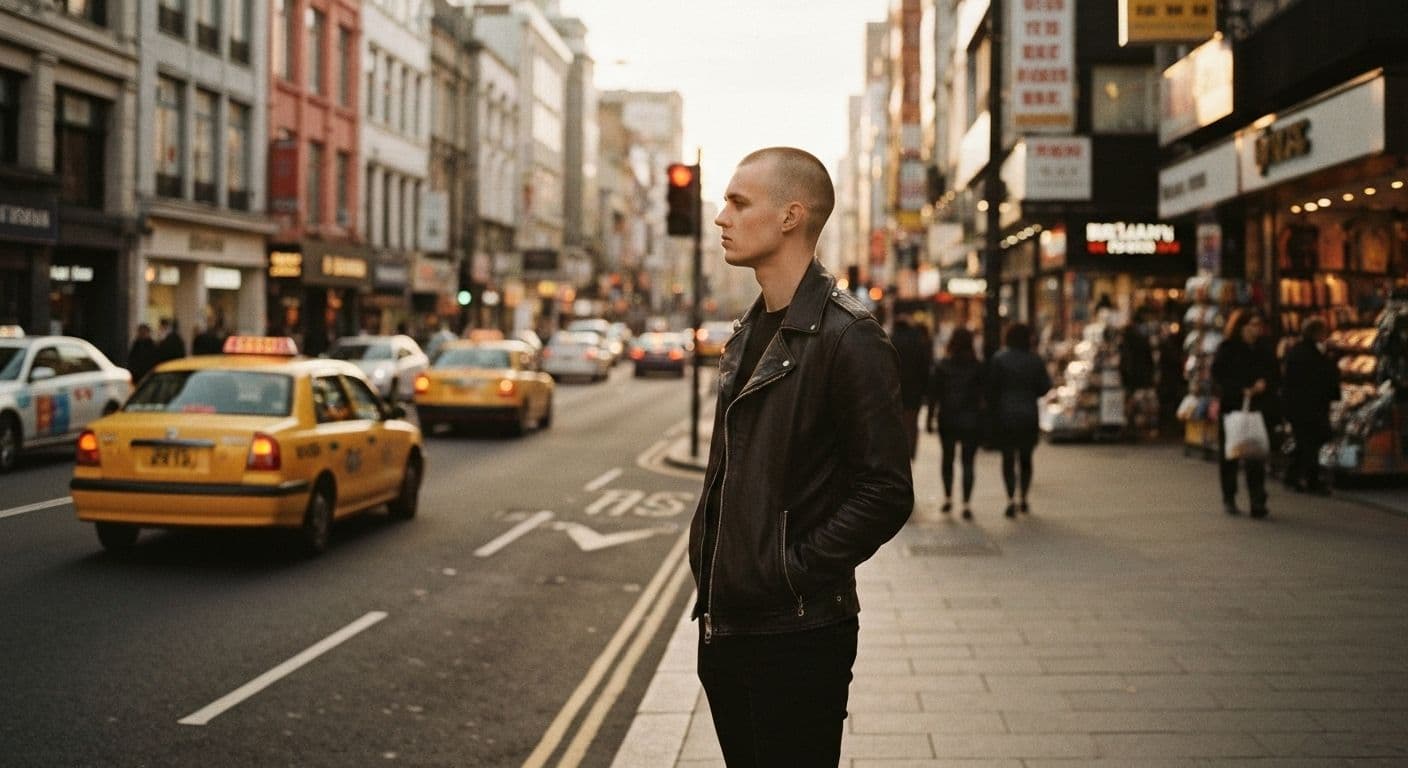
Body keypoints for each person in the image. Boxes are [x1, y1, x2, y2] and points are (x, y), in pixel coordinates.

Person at [692, 146, 913, 766]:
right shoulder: (746, 333)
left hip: (797, 632)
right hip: (727, 625)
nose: (721, 217)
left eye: (739, 202)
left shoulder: (849, 338)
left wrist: (788, 571)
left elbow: (886, 491)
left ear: (791, 216)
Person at [1211, 308, 1279, 517]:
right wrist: (1241, 388)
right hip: (1233, 407)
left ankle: (1258, 500)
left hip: (1258, 407)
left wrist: (1264, 384)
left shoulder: (1264, 348)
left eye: (1259, 325)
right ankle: (1229, 496)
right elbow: (1218, 376)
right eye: (1252, 325)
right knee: (1231, 454)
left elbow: (1274, 372)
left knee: (1255, 454)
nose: (1256, 330)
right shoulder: (1228, 348)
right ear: (1241, 327)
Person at [986, 323, 1052, 518]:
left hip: (1005, 415)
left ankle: (1010, 498)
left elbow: (992, 388)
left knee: (1007, 458)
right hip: (1028, 414)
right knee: (1026, 458)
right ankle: (1024, 497)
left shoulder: (999, 359)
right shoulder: (1035, 360)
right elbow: (1045, 387)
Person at [926, 326, 984, 519]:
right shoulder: (977, 366)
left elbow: (933, 394)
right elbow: (983, 395)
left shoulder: (943, 365)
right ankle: (966, 502)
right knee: (968, 462)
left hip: (948, 418)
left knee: (947, 459)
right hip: (971, 420)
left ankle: (948, 497)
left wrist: (930, 418)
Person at [1281, 317, 1339, 495]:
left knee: (1304, 443)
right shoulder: (1314, 355)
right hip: (1312, 406)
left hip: (1299, 406)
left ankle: (1294, 476)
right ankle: (1311, 480)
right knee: (1310, 443)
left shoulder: (1296, 352)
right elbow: (1325, 378)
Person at [890, 312, 934, 460]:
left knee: (897, 421)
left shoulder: (890, 341)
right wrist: (925, 388)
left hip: (895, 388)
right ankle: (911, 450)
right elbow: (924, 367)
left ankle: (898, 449)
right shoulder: (917, 342)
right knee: (912, 422)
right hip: (914, 389)